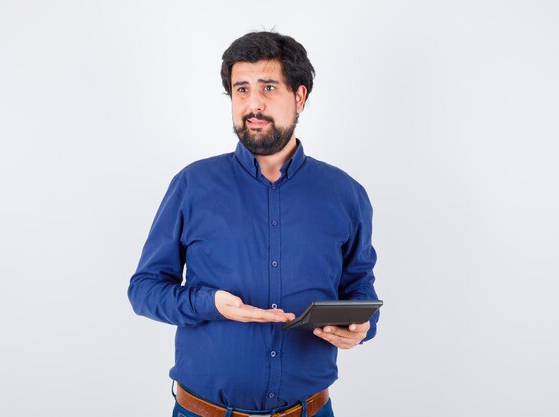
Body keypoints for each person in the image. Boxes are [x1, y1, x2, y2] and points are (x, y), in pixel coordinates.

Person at [128, 31, 380, 417]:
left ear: (299, 96)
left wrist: (361, 325)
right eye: (241, 89)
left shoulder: (346, 194)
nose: (253, 104)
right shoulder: (193, 186)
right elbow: (144, 290)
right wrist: (208, 303)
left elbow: (360, 289)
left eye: (268, 88)